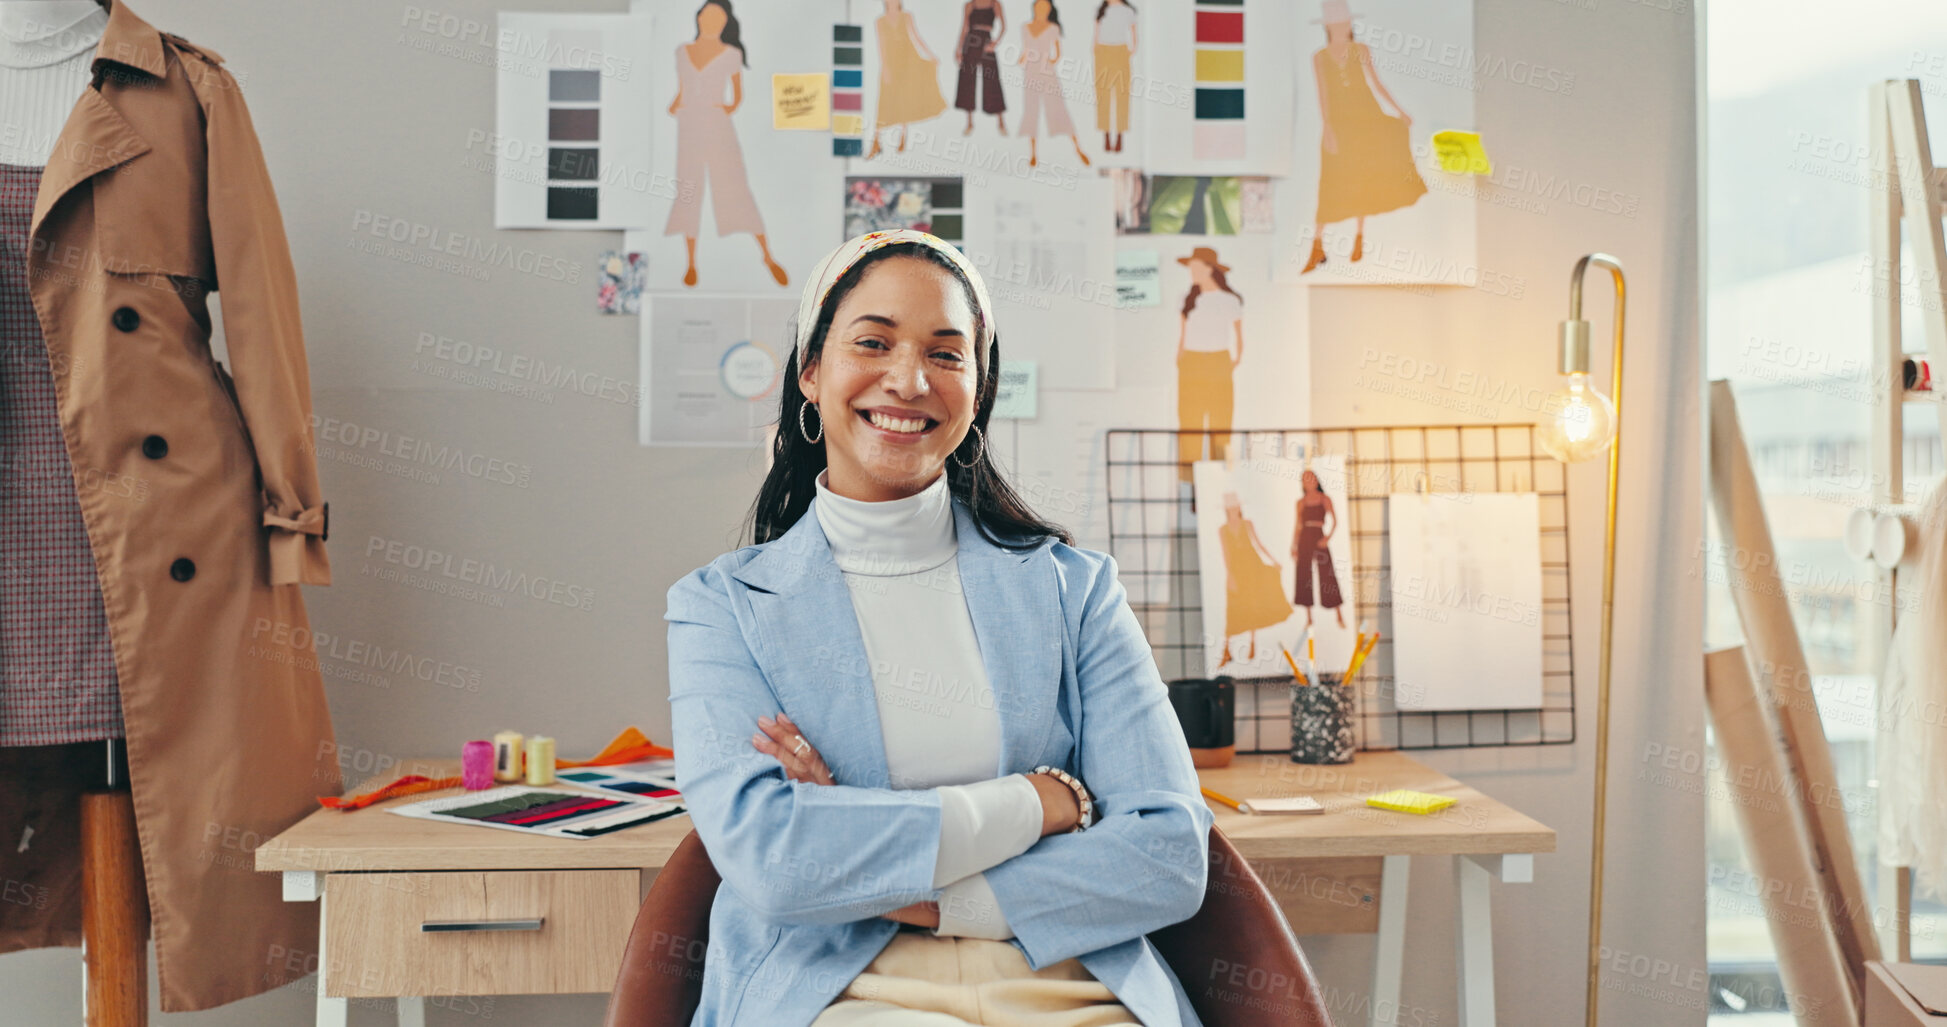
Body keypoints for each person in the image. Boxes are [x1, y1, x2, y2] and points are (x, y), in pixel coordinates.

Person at [665, 228, 1213, 1027]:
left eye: (947, 354)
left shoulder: (1075, 590)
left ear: (979, 389)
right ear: (811, 373)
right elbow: (775, 860)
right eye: (873, 342)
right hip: (842, 989)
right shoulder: (723, 606)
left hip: (1067, 977)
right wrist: (1040, 799)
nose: (909, 379)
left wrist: (903, 878)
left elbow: (1168, 854)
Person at [664, 0, 789, 287]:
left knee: (734, 185)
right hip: (688, 126)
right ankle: (691, 262)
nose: (710, 21)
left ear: (725, 23)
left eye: (717, 17)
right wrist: (676, 107)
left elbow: (737, 97)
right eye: (706, 15)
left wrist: (717, 110)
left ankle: (767, 255)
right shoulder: (682, 52)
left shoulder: (731, 54)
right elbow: (682, 90)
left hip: (718, 125)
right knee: (688, 187)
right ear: (698, 18)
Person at [1302, 0, 1426, 274]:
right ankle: (1317, 244)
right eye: (1336, 25)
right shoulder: (1319, 57)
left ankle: (1359, 238)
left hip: (1367, 120)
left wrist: (1400, 111)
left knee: (1363, 179)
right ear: (1329, 28)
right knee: (1333, 179)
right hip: (1340, 125)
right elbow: (1323, 95)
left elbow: (1376, 83)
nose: (1341, 29)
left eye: (1345, 24)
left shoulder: (1361, 50)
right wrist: (1328, 129)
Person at [1174, 246, 1241, 483]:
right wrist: (1181, 358)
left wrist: (1233, 360)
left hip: (1218, 360)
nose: (1192, 272)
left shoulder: (1229, 300)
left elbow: (1238, 335)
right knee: (1189, 420)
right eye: (1190, 267)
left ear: (1209, 268)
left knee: (1221, 421)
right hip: (1191, 362)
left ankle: (1221, 478)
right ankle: (1189, 480)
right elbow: (1184, 334)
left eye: (1196, 267)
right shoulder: (1188, 298)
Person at [1217, 491, 1294, 668]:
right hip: (1237, 571)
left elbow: (1258, 545)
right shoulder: (1223, 530)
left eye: (1236, 507)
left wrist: (1274, 561)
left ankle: (1252, 645)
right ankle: (1226, 650)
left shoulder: (1247, 524)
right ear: (1227, 510)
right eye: (1230, 508)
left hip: (1253, 568)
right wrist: (1230, 576)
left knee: (1252, 605)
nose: (1234, 510)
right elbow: (1226, 554)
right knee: (1234, 608)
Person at [866, 0, 947, 160]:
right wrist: (886, 68)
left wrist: (931, 55)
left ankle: (903, 136)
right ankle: (876, 139)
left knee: (905, 98)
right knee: (885, 100)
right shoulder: (880, 21)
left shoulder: (907, 16)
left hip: (908, 61)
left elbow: (916, 37)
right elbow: (881, 45)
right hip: (891, 63)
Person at [1016, 0, 1090, 168]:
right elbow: (1025, 49)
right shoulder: (1025, 27)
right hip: (1030, 73)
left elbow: (1057, 53)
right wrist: (1022, 60)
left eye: (1045, 7)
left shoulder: (1053, 29)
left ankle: (1077, 148)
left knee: (1059, 109)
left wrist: (1048, 62)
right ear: (1034, 7)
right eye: (1039, 6)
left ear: (1049, 10)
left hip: (1047, 73)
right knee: (1031, 111)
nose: (1041, 10)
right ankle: (1033, 153)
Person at [1290, 469, 1345, 628]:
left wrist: (1327, 538)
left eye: (1311, 479)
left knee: (1327, 573)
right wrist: (1294, 546)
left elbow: (1335, 521)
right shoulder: (1300, 502)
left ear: (1317, 481)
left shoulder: (1325, 499)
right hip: (1304, 538)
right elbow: (1298, 525)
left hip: (1319, 536)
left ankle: (1338, 614)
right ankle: (1309, 618)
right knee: (1303, 574)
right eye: (1305, 480)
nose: (1309, 482)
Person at [953, 0, 1008, 135]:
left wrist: (995, 43)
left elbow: (1003, 26)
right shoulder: (969, 5)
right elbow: (964, 27)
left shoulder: (995, 4)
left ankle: (1000, 121)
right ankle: (969, 122)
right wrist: (959, 49)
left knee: (992, 78)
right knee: (967, 79)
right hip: (970, 41)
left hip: (987, 41)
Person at [1093, 0, 1137, 153]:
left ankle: (1119, 136)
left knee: (1122, 94)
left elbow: (1133, 32)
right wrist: (1096, 49)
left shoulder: (1127, 11)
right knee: (1103, 94)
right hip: (1103, 52)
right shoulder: (1101, 9)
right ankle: (1106, 134)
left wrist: (1131, 49)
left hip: (1120, 51)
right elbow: (1096, 31)